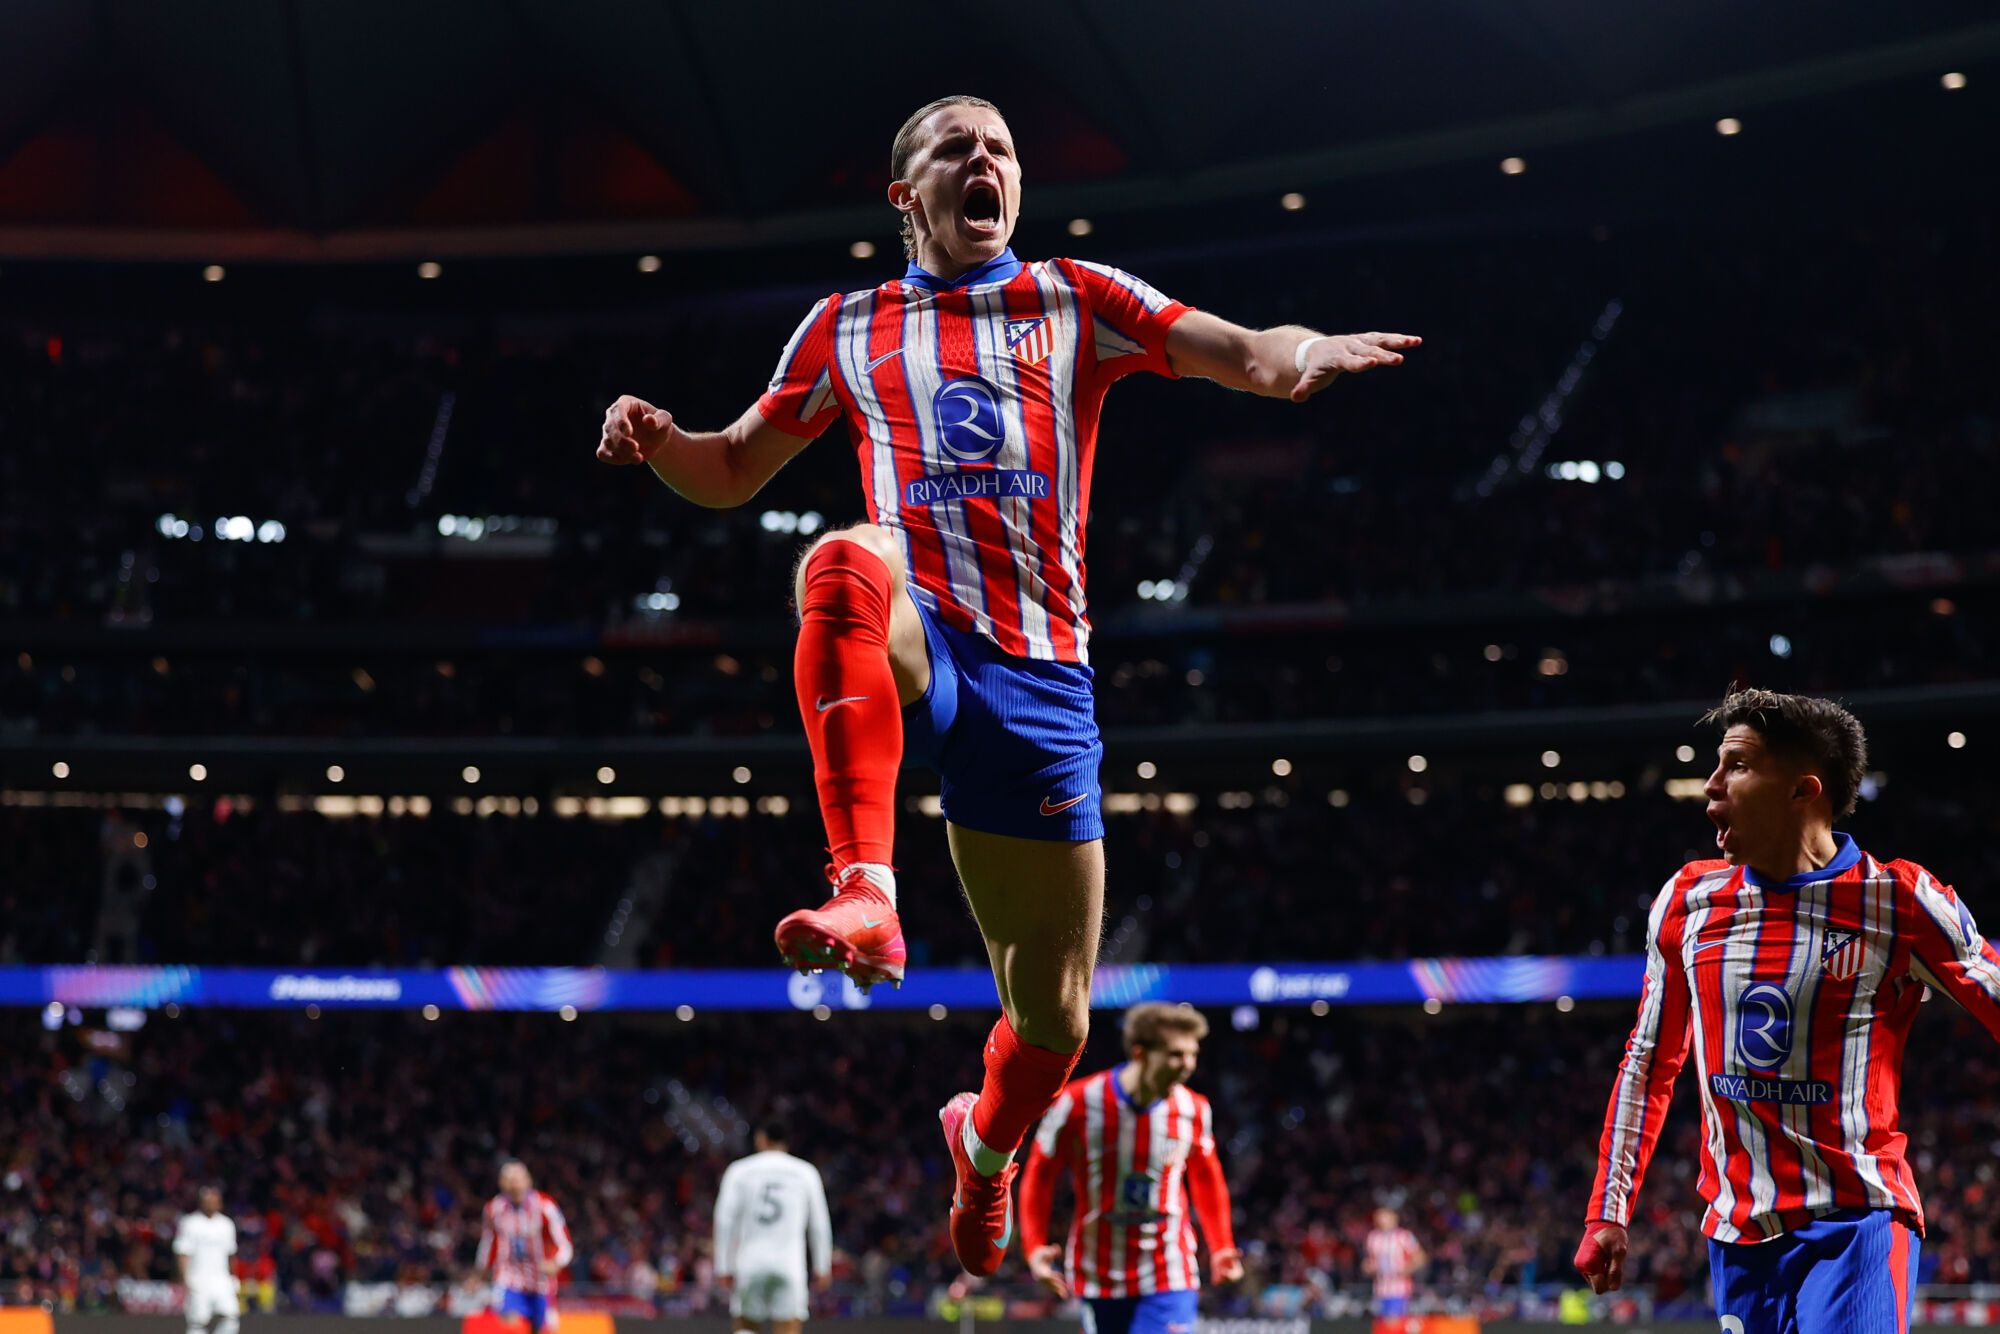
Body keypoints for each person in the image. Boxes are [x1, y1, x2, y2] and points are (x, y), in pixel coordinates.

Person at [597, 93, 1418, 1275]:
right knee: (836, 560)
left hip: (1037, 684)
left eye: (1001, 149)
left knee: (1054, 1020)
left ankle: (982, 1149)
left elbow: (1237, 348)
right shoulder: (846, 326)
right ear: (905, 193)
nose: (984, 161)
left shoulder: (1078, 298)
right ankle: (865, 886)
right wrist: (661, 437)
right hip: (917, 638)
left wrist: (1303, 358)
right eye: (955, 147)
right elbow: (731, 466)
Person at [1575, 688, 2000, 1332]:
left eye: (1737, 766)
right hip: (1740, 1241)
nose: (1711, 785)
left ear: (1806, 790)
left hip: (1857, 1221)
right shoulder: (1688, 901)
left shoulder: (1899, 900)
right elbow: (1648, 1062)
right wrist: (1607, 1211)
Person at [1018, 1003, 1241, 1333]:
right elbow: (1039, 1173)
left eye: (1193, 1055)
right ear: (1141, 1053)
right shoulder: (1077, 1103)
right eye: (1176, 1055)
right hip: (1098, 1273)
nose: (1188, 1066)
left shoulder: (1193, 1108)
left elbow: (1207, 1179)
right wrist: (1034, 1245)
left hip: (1170, 1270)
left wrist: (1222, 1247)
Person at [714, 1120, 835, 1334]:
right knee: (788, 1327)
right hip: (789, 1264)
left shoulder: (740, 1171)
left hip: (750, 1263)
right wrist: (822, 1266)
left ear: (761, 1139)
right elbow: (819, 1224)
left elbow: (724, 1220)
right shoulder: (805, 1172)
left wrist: (723, 1266)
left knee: (746, 1327)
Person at [477, 1160, 574, 1333]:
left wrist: (556, 1263)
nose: (514, 1184)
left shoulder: (545, 1206)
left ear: (528, 1181)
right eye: (509, 1180)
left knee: (545, 1330)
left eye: (518, 1179)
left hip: (541, 1281)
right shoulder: (493, 1209)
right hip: (509, 1279)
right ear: (501, 1184)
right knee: (510, 1326)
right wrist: (480, 1271)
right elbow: (487, 1242)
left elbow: (565, 1245)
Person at [174, 1186, 239, 1334]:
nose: (212, 1204)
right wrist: (185, 1280)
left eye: (215, 1201)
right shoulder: (190, 1223)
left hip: (222, 1279)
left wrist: (233, 1276)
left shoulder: (226, 1224)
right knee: (197, 1322)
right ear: (201, 1202)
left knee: (231, 1318)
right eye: (208, 1201)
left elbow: (231, 1254)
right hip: (198, 1280)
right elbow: (183, 1253)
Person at [1363, 1208, 1425, 1320]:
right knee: (1382, 1325)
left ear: (1394, 1218)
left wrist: (1407, 1269)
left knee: (1394, 1323)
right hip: (1380, 1289)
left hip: (1399, 1289)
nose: (1382, 1220)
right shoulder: (1373, 1238)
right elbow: (1368, 1262)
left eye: (1385, 1217)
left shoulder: (1405, 1236)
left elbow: (1420, 1257)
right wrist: (1368, 1268)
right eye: (1379, 1217)